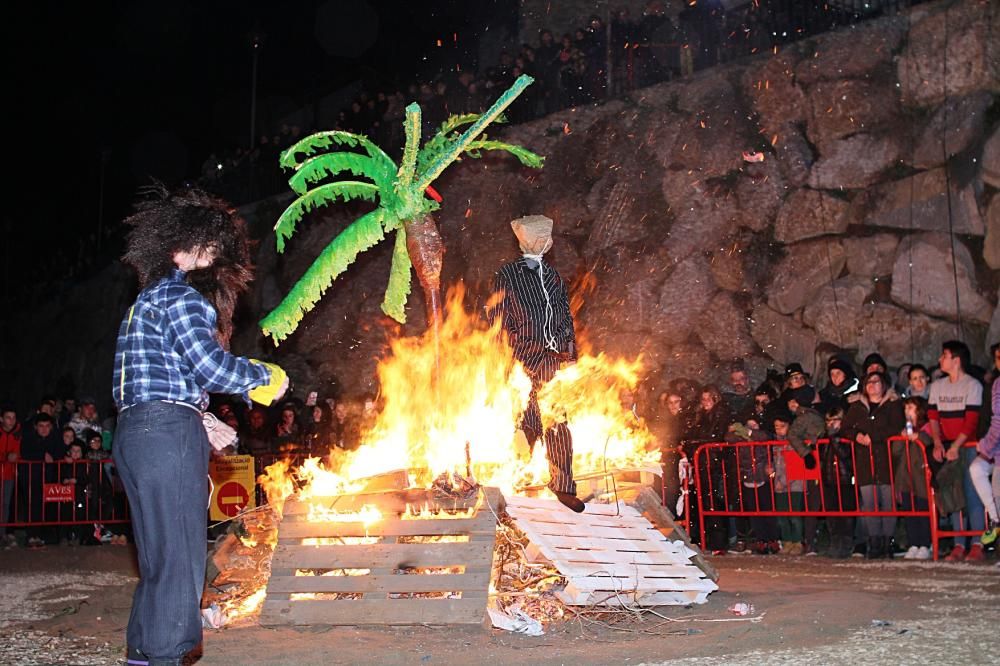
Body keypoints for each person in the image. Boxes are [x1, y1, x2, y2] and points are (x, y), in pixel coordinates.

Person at [111, 186, 287, 666]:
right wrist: (262, 378)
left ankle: (144, 654)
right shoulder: (183, 295)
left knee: (158, 558)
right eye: (209, 247)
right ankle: (168, 655)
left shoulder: (148, 301)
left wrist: (202, 415)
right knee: (182, 556)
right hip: (166, 436)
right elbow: (210, 366)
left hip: (138, 433)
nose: (214, 257)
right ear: (183, 246)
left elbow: (159, 376)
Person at [489, 215, 581, 512]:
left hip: (553, 361)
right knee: (527, 423)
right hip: (522, 358)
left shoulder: (554, 276)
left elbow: (565, 316)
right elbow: (498, 320)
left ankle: (563, 485)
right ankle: (517, 478)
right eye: (537, 238)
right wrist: (504, 360)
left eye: (546, 238)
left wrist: (570, 354)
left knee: (556, 421)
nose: (543, 243)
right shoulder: (507, 275)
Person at [927, 340, 984, 562]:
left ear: (956, 360)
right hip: (948, 445)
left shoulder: (973, 386)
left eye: (944, 355)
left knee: (971, 493)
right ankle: (959, 543)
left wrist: (955, 446)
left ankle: (977, 542)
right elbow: (933, 416)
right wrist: (938, 443)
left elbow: (970, 422)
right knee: (953, 492)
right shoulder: (938, 386)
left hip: (967, 446)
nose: (940, 359)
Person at [841, 370, 905, 559]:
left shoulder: (893, 405)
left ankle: (888, 541)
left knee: (888, 502)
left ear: (884, 385)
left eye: (876, 382)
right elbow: (845, 428)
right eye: (869, 382)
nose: (872, 385)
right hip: (864, 461)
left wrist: (874, 436)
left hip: (886, 460)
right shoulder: (857, 407)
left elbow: (896, 427)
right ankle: (874, 541)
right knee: (869, 503)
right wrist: (857, 436)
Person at [969, 342, 999, 547]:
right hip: (996, 450)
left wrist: (986, 446)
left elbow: (998, 421)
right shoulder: (996, 384)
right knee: (977, 468)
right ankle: (996, 519)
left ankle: (996, 519)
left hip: (995, 449)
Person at [895, 397, 933, 560]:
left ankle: (926, 543)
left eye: (910, 407)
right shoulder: (905, 429)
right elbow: (895, 451)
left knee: (923, 510)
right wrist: (902, 438)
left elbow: (929, 443)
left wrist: (919, 437)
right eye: (905, 408)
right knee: (910, 512)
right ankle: (913, 543)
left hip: (921, 478)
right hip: (906, 478)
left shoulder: (928, 427)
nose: (907, 411)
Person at [0, 405, 21, 547]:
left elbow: (19, 452)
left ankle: (2, 534)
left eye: (13, 418)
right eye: (8, 417)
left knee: (5, 505)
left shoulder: (18, 433)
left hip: (8, 475)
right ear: (1, 419)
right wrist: (5, 456)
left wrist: (15, 456)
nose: (11, 421)